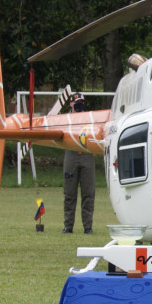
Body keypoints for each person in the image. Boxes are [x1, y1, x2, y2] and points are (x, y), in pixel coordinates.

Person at [60, 90, 95, 235]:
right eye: (77, 103)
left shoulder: (91, 118)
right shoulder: (65, 119)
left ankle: (88, 227)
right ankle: (68, 226)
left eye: (81, 103)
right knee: (69, 193)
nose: (80, 106)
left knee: (88, 192)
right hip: (71, 154)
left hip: (87, 153)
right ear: (71, 104)